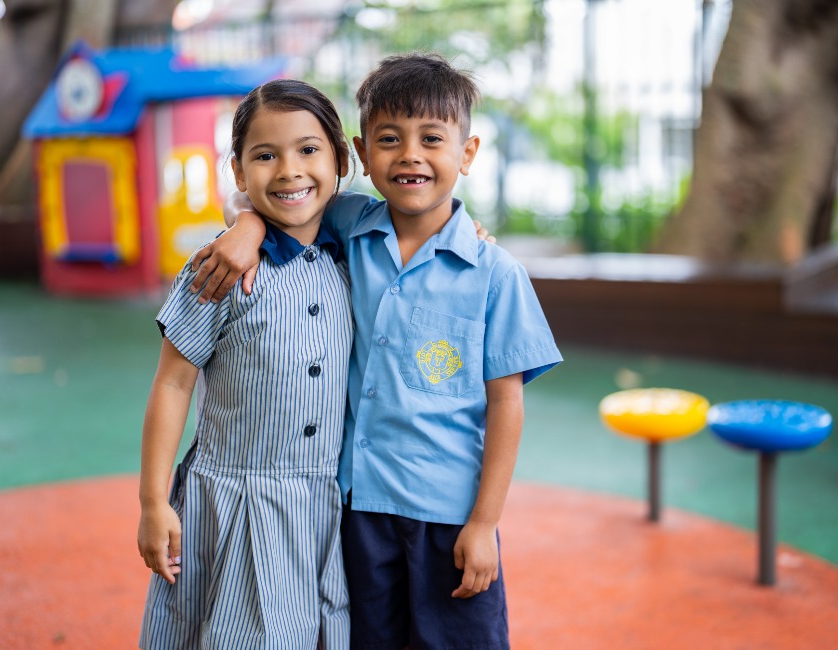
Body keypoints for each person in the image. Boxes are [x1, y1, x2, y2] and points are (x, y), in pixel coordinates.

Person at [189, 52, 563, 650]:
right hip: (356, 510)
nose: (410, 154)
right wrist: (246, 226)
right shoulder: (348, 224)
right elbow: (281, 198)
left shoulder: (497, 274)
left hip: (448, 517)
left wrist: (485, 523)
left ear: (466, 154)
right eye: (390, 139)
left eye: (432, 139)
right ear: (362, 154)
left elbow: (506, 407)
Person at [136, 78, 354, 650]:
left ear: (340, 159)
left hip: (323, 512)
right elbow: (173, 384)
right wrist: (153, 502)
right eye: (265, 155)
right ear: (237, 171)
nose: (289, 170)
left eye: (308, 149)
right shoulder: (219, 269)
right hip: (236, 507)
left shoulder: (357, 257)